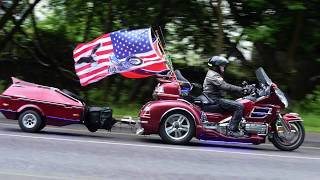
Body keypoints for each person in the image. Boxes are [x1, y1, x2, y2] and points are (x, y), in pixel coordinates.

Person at [202, 56, 250, 137]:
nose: (223, 68)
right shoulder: (213, 75)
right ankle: (232, 130)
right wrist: (241, 89)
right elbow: (225, 86)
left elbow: (225, 86)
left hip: (215, 98)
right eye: (222, 66)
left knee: (239, 102)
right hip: (215, 99)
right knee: (239, 106)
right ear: (216, 66)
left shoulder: (214, 74)